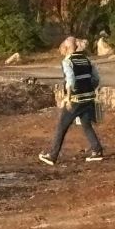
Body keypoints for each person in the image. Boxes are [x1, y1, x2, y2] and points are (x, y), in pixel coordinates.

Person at [39, 37, 103, 166]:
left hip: (75, 100)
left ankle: (52, 155)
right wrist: (89, 90)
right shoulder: (87, 59)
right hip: (88, 98)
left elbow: (71, 79)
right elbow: (96, 78)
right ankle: (97, 150)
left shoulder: (67, 61)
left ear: (66, 48)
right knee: (86, 125)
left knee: (61, 126)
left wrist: (68, 98)